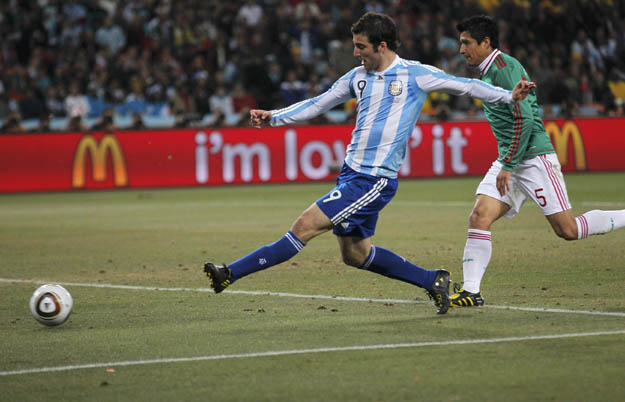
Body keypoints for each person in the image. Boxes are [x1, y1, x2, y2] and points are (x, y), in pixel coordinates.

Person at [204, 12, 535, 315]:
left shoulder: (415, 74)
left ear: (382, 45)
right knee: (355, 255)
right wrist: (274, 116)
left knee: (303, 227)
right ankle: (432, 280)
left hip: (373, 180)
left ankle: (229, 273)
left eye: (361, 47)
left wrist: (508, 96)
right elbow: (319, 103)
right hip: (351, 175)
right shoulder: (357, 77)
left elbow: (465, 86)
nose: (356, 53)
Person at [450, 15, 625, 308]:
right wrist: (507, 162)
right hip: (510, 158)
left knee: (568, 230)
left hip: (533, 158)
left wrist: (508, 165)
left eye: (466, 43)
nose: (461, 49)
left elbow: (526, 119)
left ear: (485, 42)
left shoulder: (504, 69)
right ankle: (471, 291)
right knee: (479, 216)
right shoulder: (488, 70)